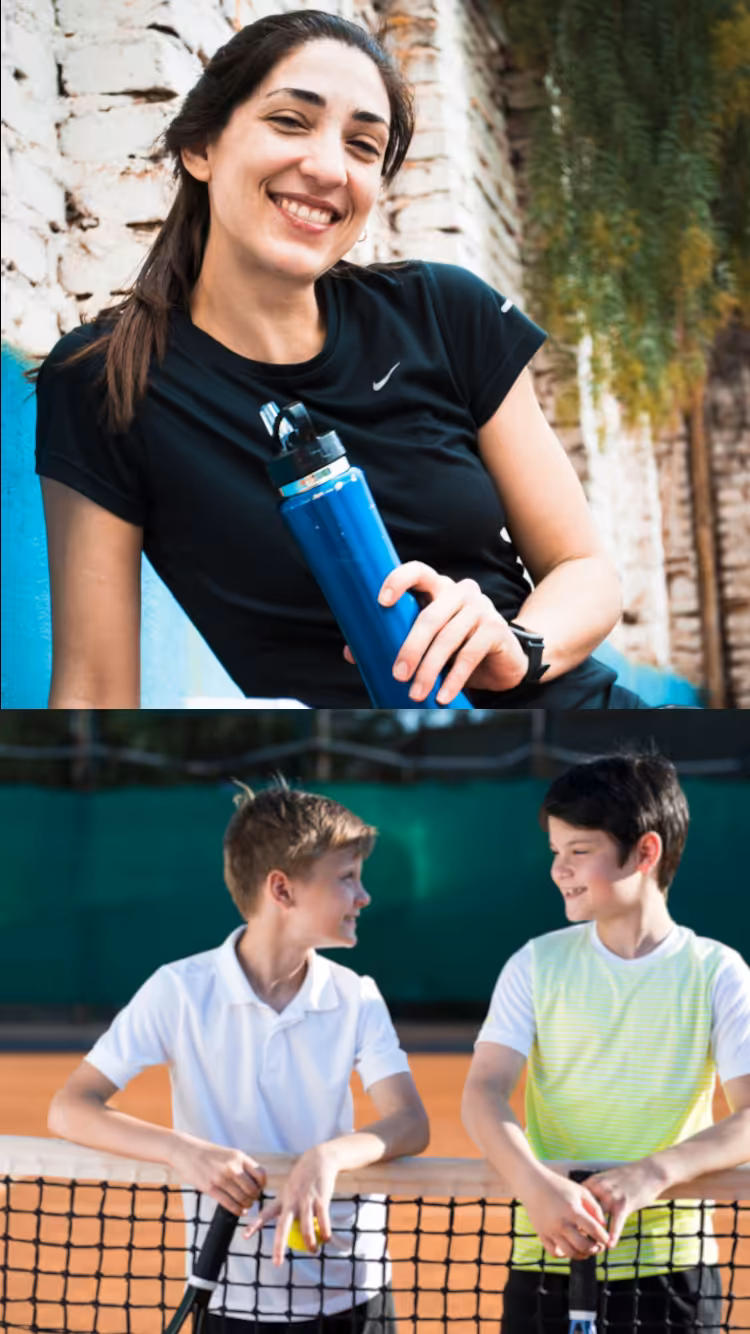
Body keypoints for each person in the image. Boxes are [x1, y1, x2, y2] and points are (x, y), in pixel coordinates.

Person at [32, 8, 642, 711]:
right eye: (290, 122)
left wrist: (519, 650)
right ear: (201, 146)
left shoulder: (445, 312)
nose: (327, 168)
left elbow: (584, 568)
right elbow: (95, 695)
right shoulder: (107, 382)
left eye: (362, 145)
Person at [47, 782, 429, 1332]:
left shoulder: (356, 995)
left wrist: (327, 1157)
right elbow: (70, 1108)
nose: (363, 895)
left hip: (354, 1292)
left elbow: (410, 1122)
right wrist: (184, 1152)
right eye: (346, 878)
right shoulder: (178, 990)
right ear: (282, 889)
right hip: (229, 1293)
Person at [461, 752, 750, 1333]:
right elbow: (484, 1090)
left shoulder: (718, 972)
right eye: (555, 853)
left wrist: (648, 1175)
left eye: (578, 852)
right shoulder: (535, 963)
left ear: (645, 852)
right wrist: (533, 1187)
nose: (558, 870)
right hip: (545, 1259)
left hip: (674, 1277)